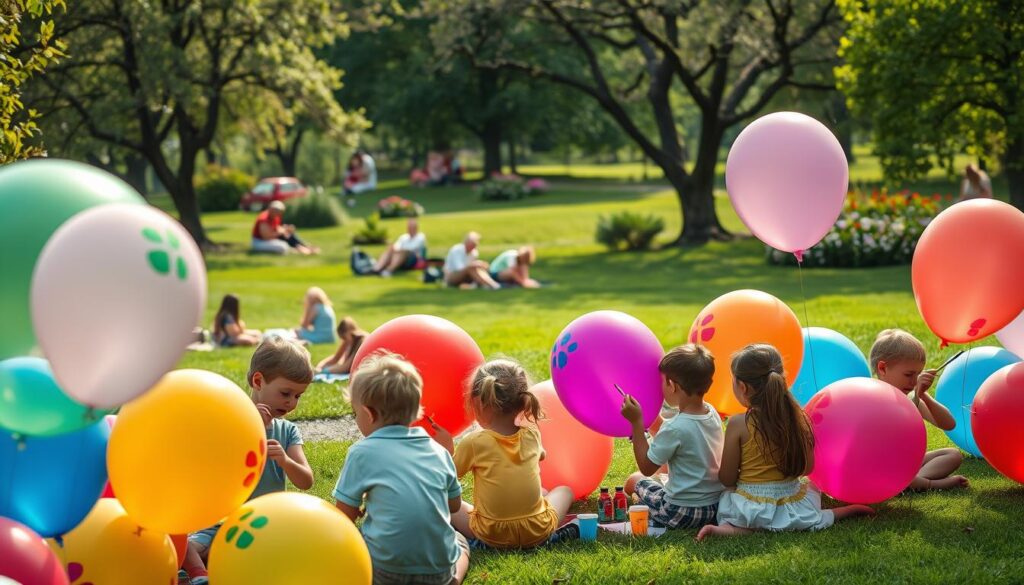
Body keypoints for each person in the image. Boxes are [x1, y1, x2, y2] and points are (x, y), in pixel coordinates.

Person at [696, 344, 875, 541]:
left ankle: (730, 529)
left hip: (750, 505)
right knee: (810, 504)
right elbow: (807, 469)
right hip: (792, 498)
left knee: (736, 503)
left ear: (743, 386)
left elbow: (727, 479)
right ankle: (843, 512)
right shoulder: (800, 417)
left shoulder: (739, 423)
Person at [182, 337, 315, 584]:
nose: (292, 402)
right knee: (184, 544)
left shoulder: (287, 431)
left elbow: (306, 481)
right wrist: (247, 427)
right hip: (222, 521)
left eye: (298, 396)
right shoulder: (230, 421)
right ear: (258, 381)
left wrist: (285, 461)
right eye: (286, 393)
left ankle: (214, 563)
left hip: (267, 523)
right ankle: (199, 574)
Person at [334, 353, 470, 585]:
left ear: (368, 414)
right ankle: (454, 578)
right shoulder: (438, 451)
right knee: (459, 542)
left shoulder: (361, 453)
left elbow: (343, 516)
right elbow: (454, 506)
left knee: (354, 544)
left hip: (383, 571)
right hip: (436, 571)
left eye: (355, 413)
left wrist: (358, 510)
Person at [431, 358, 579, 549]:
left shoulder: (474, 443)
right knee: (563, 491)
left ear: (479, 403)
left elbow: (447, 481)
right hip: (536, 531)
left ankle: (477, 541)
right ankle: (551, 535)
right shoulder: (532, 434)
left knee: (447, 504)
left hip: (491, 534)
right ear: (522, 403)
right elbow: (541, 455)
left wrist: (447, 451)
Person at [619, 345, 723, 530]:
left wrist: (636, 423)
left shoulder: (675, 428)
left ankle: (643, 504)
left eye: (662, 381)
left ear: (673, 386)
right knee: (660, 476)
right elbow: (674, 432)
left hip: (680, 511)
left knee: (634, 480)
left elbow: (647, 467)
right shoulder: (711, 412)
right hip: (714, 508)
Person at [870, 329, 969, 491]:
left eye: (918, 374)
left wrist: (923, 395)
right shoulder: (871, 394)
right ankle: (927, 484)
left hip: (904, 464)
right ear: (883, 369)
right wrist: (916, 396)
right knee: (891, 474)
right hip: (879, 466)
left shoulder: (911, 396)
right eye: (909, 374)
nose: (914, 381)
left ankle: (913, 482)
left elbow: (949, 423)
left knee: (953, 455)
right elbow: (897, 424)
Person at [251, 200, 319, 255]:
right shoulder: (264, 219)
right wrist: (281, 232)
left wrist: (286, 229)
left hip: (271, 237)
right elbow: (266, 237)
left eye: (280, 212)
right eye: (277, 211)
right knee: (283, 247)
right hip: (260, 242)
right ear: (271, 209)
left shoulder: (275, 216)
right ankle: (298, 250)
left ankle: (304, 246)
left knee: (289, 235)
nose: (279, 214)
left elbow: (277, 227)